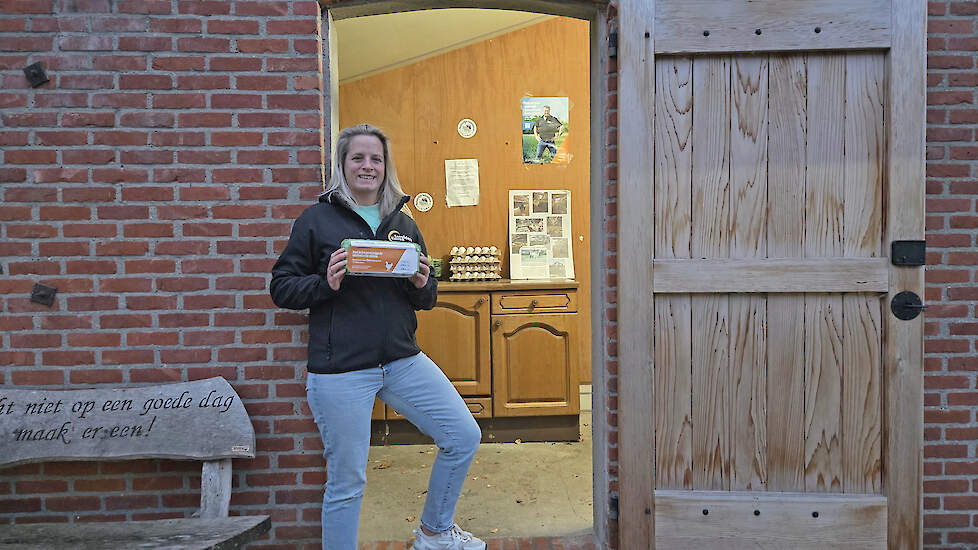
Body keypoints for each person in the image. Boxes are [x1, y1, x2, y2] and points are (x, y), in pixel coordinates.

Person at [269, 124, 486, 550]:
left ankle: (434, 532)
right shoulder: (316, 220)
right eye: (358, 158)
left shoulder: (403, 223)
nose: (368, 166)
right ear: (343, 166)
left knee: (463, 435)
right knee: (348, 479)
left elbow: (425, 298)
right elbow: (281, 287)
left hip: (402, 361)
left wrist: (423, 282)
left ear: (386, 168)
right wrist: (324, 284)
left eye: (376, 159)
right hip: (341, 369)